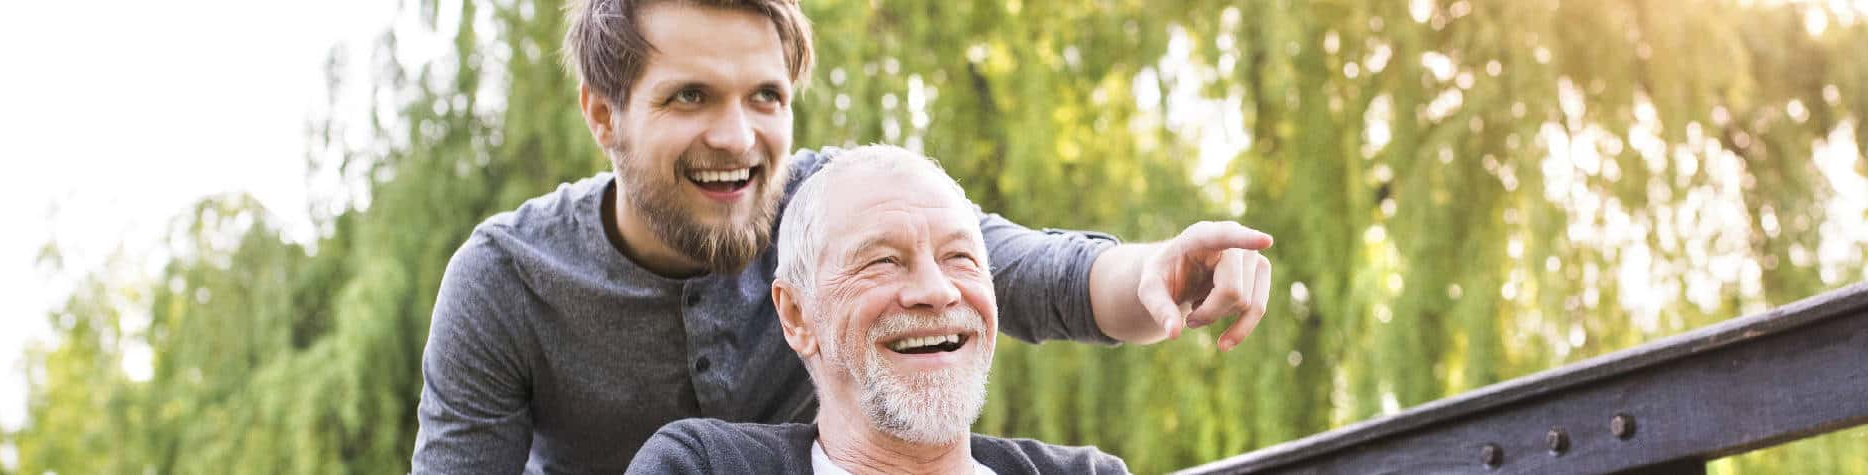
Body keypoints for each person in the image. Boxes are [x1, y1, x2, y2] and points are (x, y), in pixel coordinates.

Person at [412, 0, 1275, 472]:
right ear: (604, 114)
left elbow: (1029, 271)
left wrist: (1164, 269)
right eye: (689, 97)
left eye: (764, 97)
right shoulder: (506, 280)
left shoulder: (834, 209)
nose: (737, 137)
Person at [627, 145, 1129, 474]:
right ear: (798, 316)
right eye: (883, 261)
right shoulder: (702, 467)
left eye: (959, 258)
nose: (936, 291)